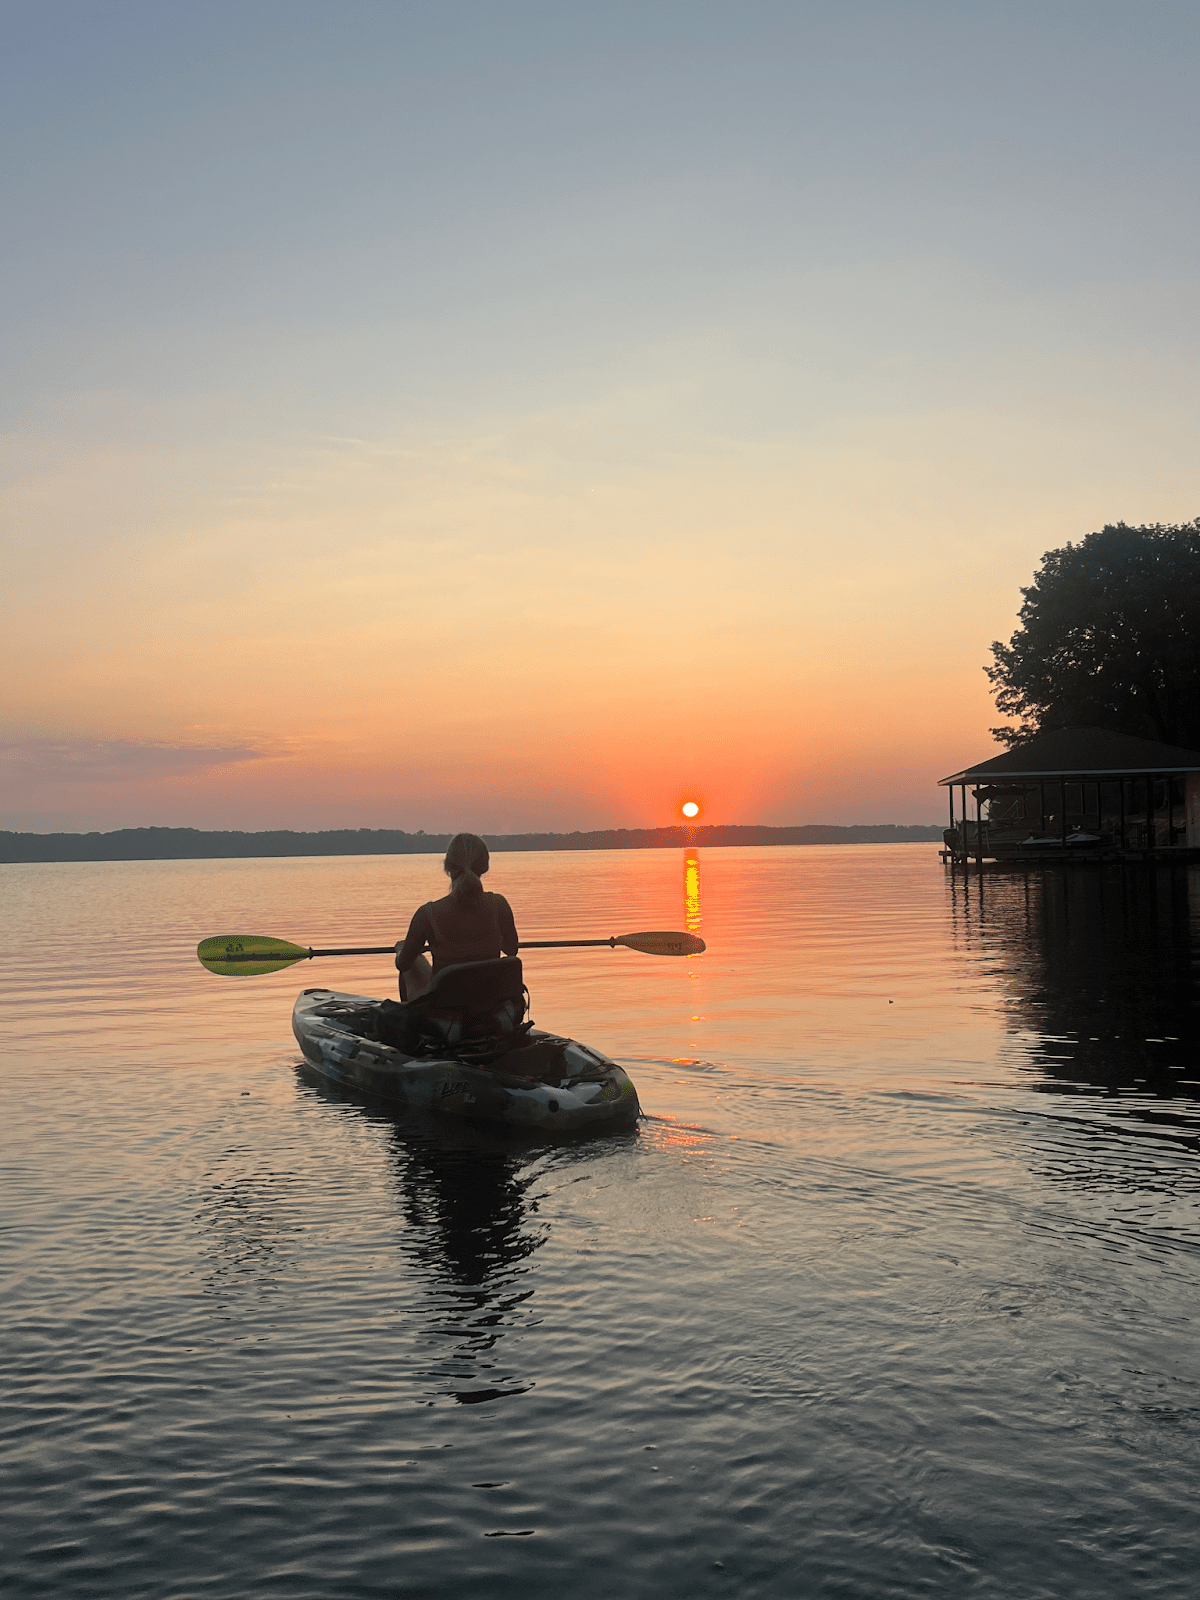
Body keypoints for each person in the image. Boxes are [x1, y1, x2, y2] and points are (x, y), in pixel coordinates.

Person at [394, 832, 519, 1000]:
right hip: (488, 1006)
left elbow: (403, 964)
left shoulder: (427, 914)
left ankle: (408, 1020)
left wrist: (401, 950)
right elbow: (511, 950)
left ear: (447, 866)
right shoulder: (499, 905)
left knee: (409, 961)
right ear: (484, 866)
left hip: (446, 1010)